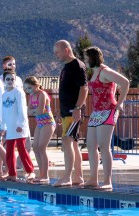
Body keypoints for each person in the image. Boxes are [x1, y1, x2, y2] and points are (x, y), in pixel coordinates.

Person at [83, 46, 129, 190]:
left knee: (104, 146)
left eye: (86, 58)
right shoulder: (95, 72)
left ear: (92, 58)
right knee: (91, 145)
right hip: (96, 113)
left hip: (108, 111)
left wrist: (120, 103)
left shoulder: (105, 71)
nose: (85, 61)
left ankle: (107, 181)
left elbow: (125, 82)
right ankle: (93, 179)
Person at [53, 40, 88, 186]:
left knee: (67, 141)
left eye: (58, 52)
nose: (56, 55)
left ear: (66, 50)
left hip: (74, 112)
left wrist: (78, 108)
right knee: (73, 144)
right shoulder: (66, 67)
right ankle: (78, 177)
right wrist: (60, 112)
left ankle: (67, 177)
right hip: (67, 112)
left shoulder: (77, 66)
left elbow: (84, 88)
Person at [1, 70, 35, 182]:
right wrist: (3, 127)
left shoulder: (19, 92)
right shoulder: (4, 95)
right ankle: (12, 173)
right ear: (4, 80)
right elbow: (3, 113)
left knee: (22, 150)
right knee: (9, 151)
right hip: (10, 128)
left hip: (19, 127)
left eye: (12, 79)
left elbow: (22, 110)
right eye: (8, 79)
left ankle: (30, 172)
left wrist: (21, 124)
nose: (10, 81)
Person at [24, 76, 56, 183]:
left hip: (48, 123)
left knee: (41, 148)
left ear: (37, 85)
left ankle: (45, 175)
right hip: (40, 123)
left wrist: (33, 111)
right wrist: (34, 111)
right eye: (26, 89)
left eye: (30, 88)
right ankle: (41, 174)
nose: (28, 91)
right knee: (35, 148)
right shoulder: (32, 96)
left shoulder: (42, 94)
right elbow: (28, 111)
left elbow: (40, 111)